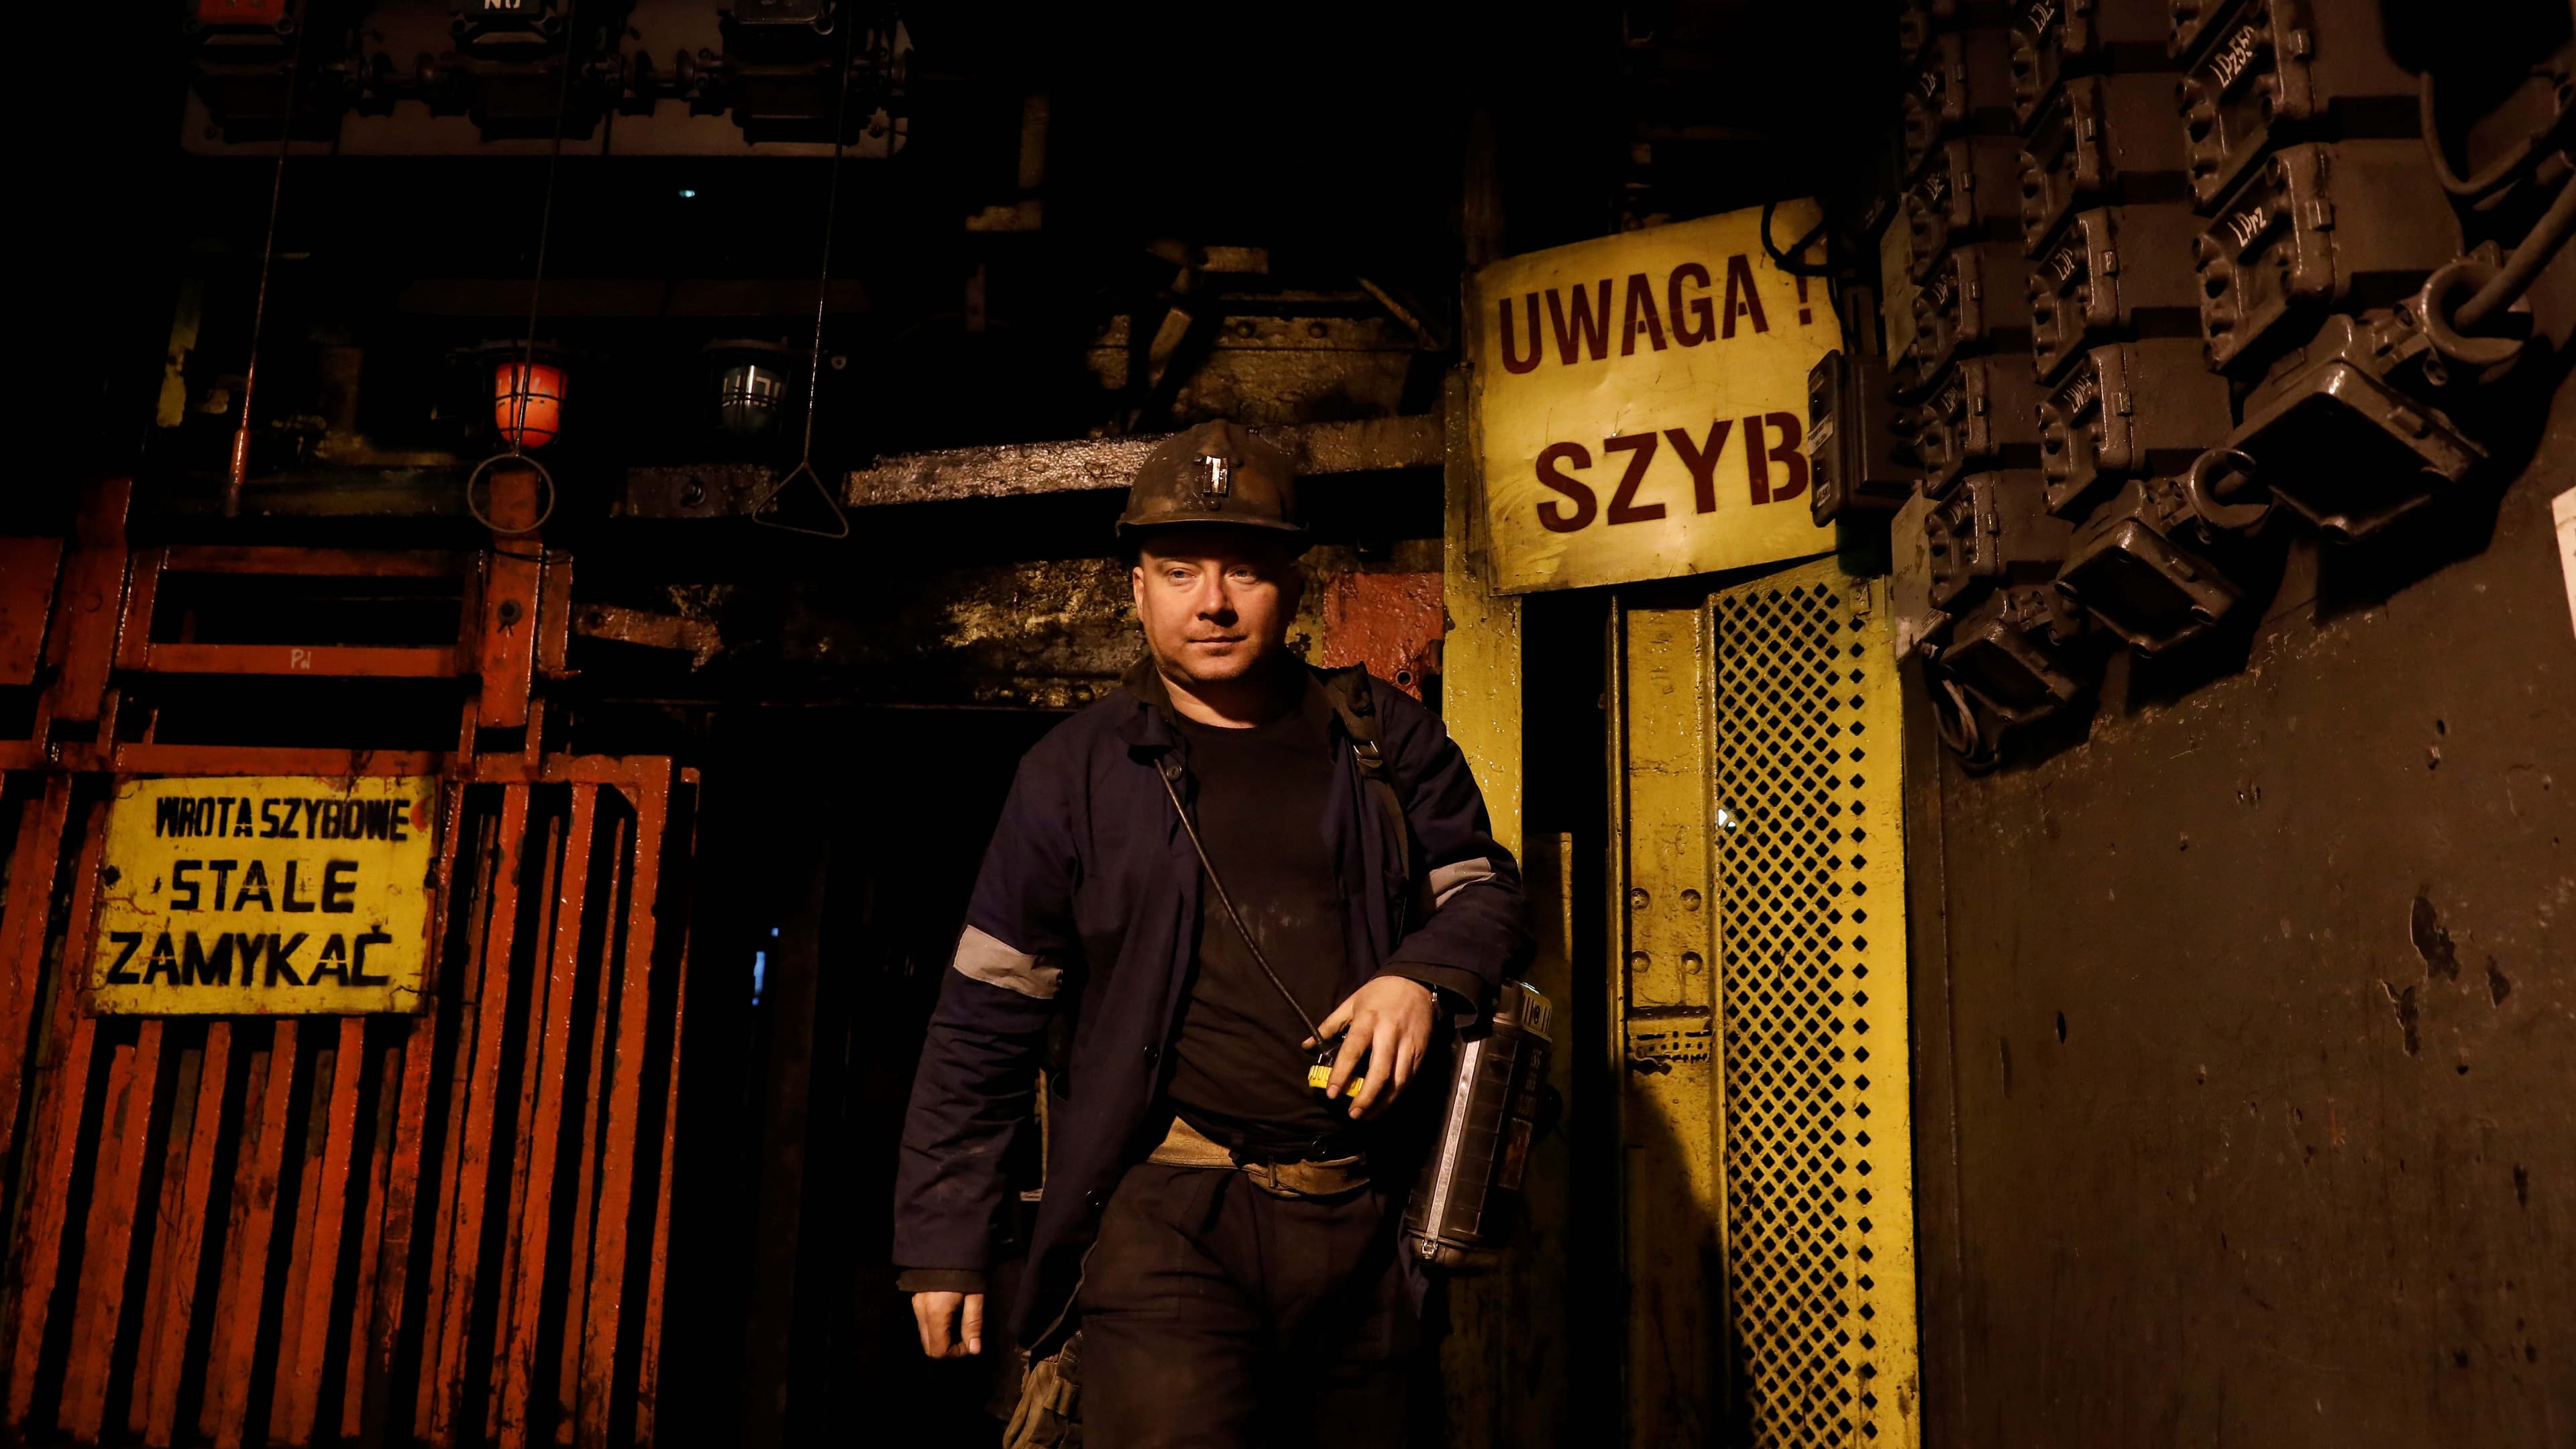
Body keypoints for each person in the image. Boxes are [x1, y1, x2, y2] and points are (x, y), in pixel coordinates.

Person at [891, 419, 1531, 1447]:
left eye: (1245, 571)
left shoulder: (1381, 741)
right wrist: (944, 1241)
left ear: (1294, 585)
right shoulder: (1073, 775)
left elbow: (1487, 896)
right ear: (1135, 589)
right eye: (1179, 572)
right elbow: (984, 1018)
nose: (1215, 603)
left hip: (1365, 1219)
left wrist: (1422, 976)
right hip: (1170, 1215)